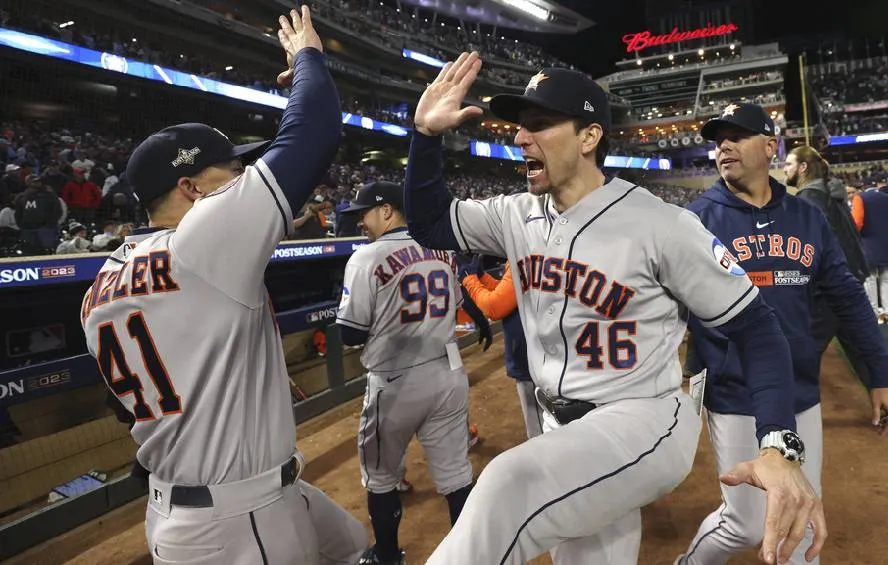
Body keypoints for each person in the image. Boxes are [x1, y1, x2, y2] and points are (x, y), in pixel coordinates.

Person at [405, 52, 825, 565]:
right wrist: (425, 137)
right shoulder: (513, 214)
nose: (520, 138)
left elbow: (758, 328)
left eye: (539, 125)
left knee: (507, 485)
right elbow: (429, 223)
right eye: (520, 126)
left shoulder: (660, 224)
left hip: (642, 419)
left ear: (589, 137)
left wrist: (778, 444)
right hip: (565, 426)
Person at [79, 7, 368, 563]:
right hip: (239, 519)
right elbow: (316, 130)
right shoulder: (199, 242)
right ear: (188, 187)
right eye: (229, 171)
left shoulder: (101, 283)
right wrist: (308, 56)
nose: (242, 178)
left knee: (351, 545)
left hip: (184, 506)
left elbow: (130, 408)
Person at [677, 110, 888, 565]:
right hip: (734, 392)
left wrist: (880, 375)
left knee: (800, 518)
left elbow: (848, 298)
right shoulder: (695, 220)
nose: (724, 147)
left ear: (770, 147)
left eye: (737, 137)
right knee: (743, 524)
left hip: (800, 392)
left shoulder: (807, 216)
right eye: (719, 140)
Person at [335, 181, 480, 565]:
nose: (360, 222)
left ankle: (386, 555)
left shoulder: (365, 258)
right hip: (448, 374)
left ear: (386, 210)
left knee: (381, 477)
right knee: (455, 476)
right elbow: (459, 303)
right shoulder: (444, 251)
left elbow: (351, 333)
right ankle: (467, 554)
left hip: (394, 381)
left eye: (364, 213)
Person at [785, 147, 888, 430]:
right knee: (861, 352)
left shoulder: (810, 198)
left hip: (830, 290)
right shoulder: (831, 195)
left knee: (798, 353)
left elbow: (812, 249)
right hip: (849, 281)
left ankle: (784, 416)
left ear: (803, 169)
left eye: (788, 163)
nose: (783, 168)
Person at [459, 255, 543, 439]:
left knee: (539, 429)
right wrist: (481, 278)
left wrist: (469, 280)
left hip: (530, 354)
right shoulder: (531, 251)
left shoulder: (525, 255)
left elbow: (495, 307)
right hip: (538, 349)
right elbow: (505, 290)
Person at [851, 179, 888, 324]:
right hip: (886, 244)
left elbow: (857, 222)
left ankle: (874, 313)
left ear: (864, 187)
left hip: (867, 243)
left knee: (870, 279)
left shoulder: (860, 198)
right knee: (886, 278)